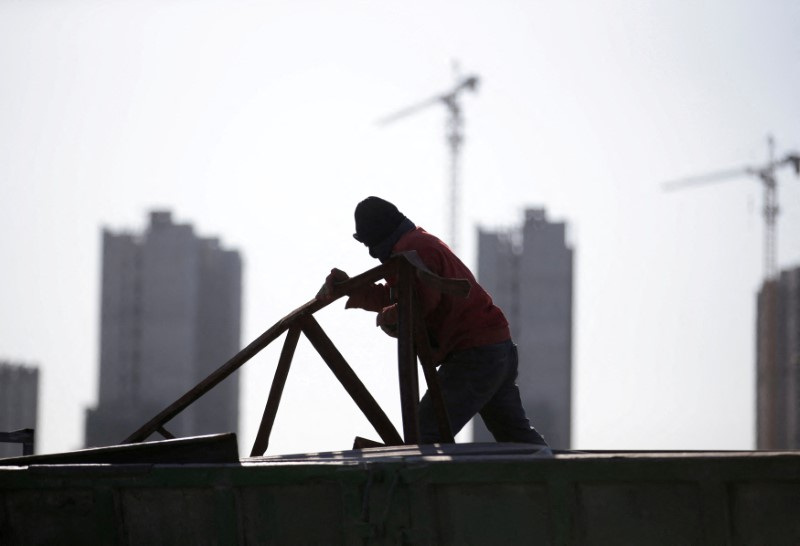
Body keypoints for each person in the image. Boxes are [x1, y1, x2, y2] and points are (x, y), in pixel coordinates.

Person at [321, 196, 548, 447]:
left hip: (475, 354)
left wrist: (389, 317)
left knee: (425, 435)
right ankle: (559, 479)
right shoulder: (415, 244)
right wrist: (352, 289)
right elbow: (399, 295)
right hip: (494, 348)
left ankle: (430, 486)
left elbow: (419, 304)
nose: (371, 253)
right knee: (517, 439)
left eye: (368, 244)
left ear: (376, 237)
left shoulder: (412, 251)